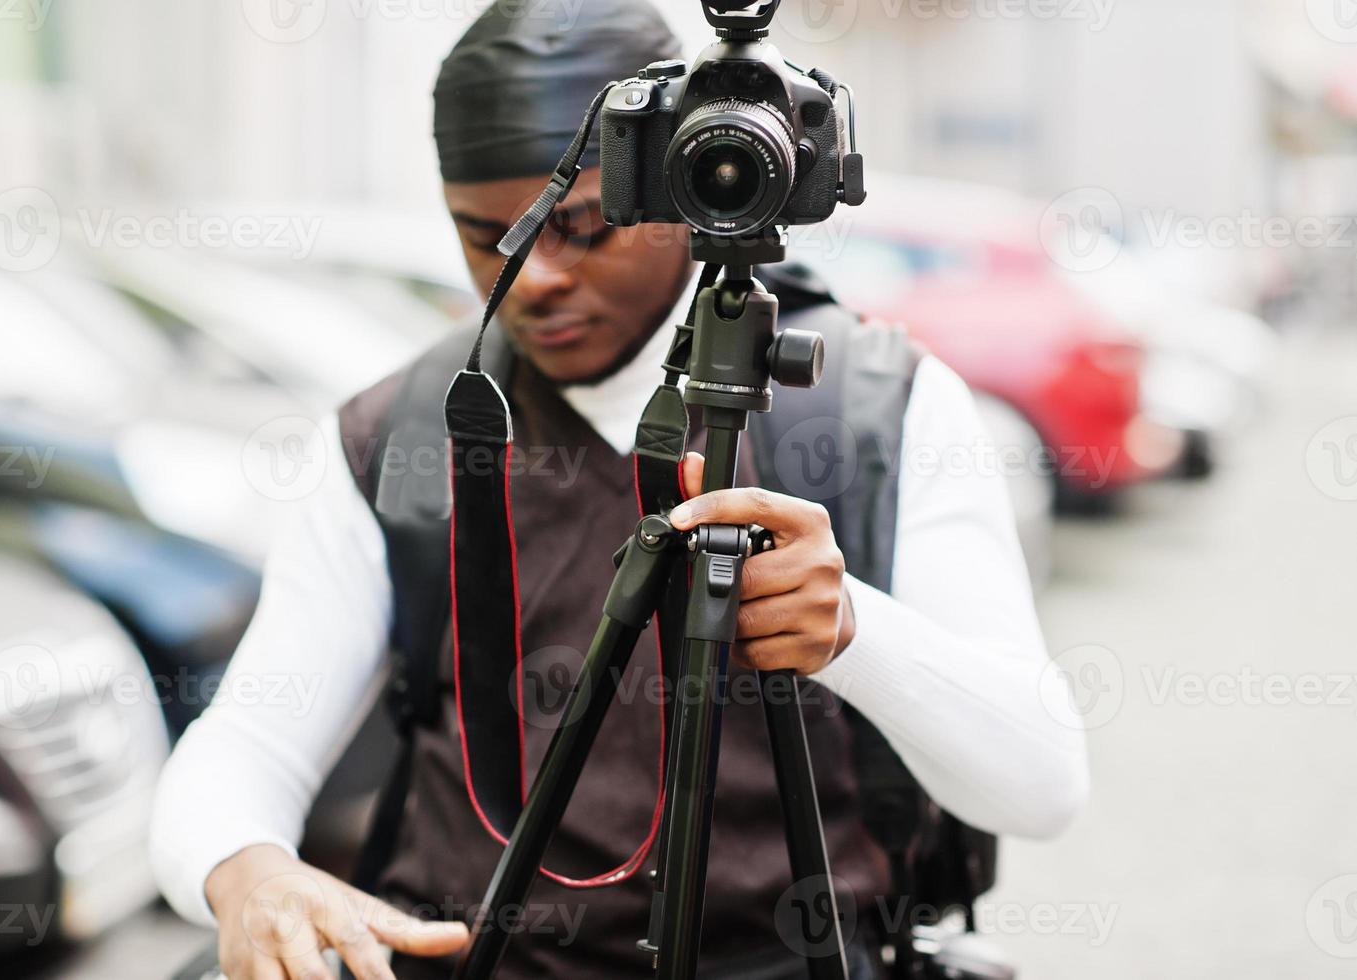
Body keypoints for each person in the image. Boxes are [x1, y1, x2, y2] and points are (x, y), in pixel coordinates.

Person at [149, 3, 1089, 979]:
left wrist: (853, 629)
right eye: (490, 238)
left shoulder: (871, 408)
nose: (535, 279)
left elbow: (1044, 783)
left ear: (682, 188)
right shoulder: (395, 437)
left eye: (584, 229)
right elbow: (246, 743)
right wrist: (248, 871)